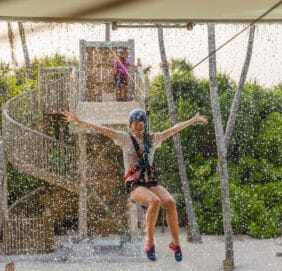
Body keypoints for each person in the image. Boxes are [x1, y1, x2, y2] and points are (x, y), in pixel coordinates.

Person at [62, 109, 207, 262]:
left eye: (142, 121)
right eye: (136, 122)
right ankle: (149, 242)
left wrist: (193, 120)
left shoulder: (153, 139)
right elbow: (102, 129)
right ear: (130, 126)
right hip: (134, 185)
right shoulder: (125, 138)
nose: (139, 125)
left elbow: (173, 129)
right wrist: (79, 121)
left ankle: (175, 244)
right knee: (155, 201)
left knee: (170, 202)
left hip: (149, 183)